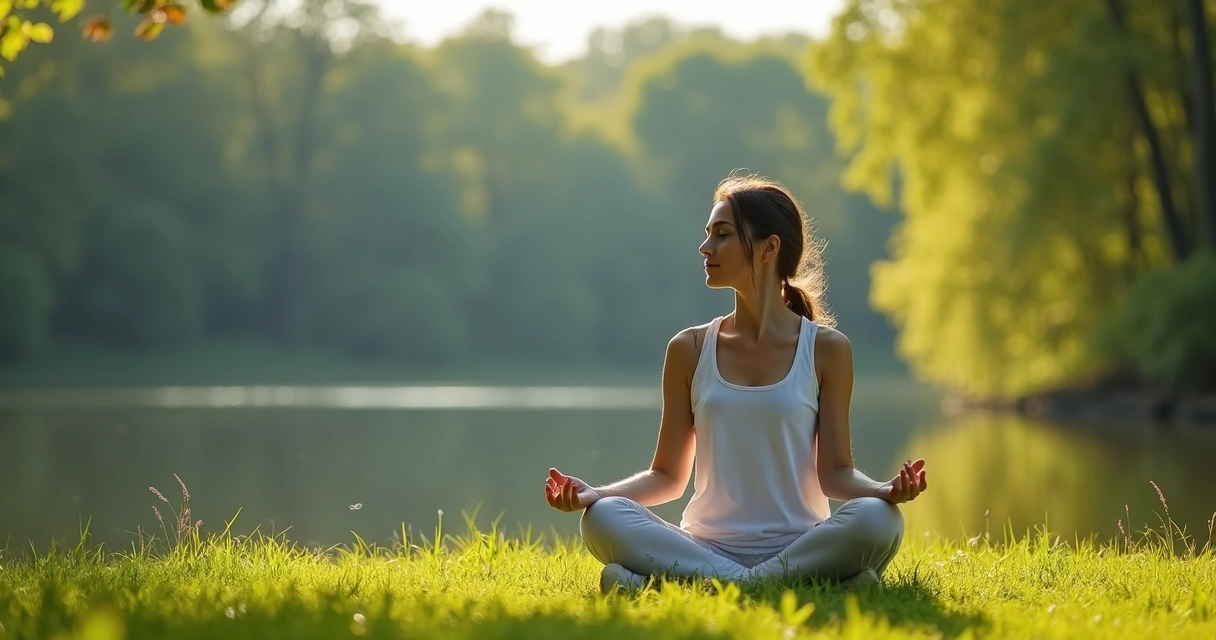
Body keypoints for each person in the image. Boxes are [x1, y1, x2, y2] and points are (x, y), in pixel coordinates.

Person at [543, 172, 929, 594]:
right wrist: (594, 493)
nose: (705, 247)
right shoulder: (688, 348)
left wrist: (885, 490)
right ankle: (789, 585)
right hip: (704, 545)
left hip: (800, 543)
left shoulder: (826, 350)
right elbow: (668, 475)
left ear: (769, 248)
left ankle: (687, 586)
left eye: (722, 235)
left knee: (880, 517)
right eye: (708, 234)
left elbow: (835, 474)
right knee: (603, 517)